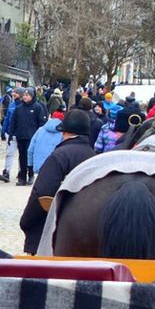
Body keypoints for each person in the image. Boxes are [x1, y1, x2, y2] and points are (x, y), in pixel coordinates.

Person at [21, 108, 100, 253]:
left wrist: (27, 221)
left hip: (55, 230)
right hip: (85, 228)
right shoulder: (92, 156)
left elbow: (42, 193)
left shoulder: (60, 156)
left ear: (64, 132)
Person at [25, 106, 63, 175]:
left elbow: (30, 149)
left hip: (39, 167)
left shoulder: (40, 130)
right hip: (56, 167)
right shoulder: (63, 134)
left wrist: (30, 164)